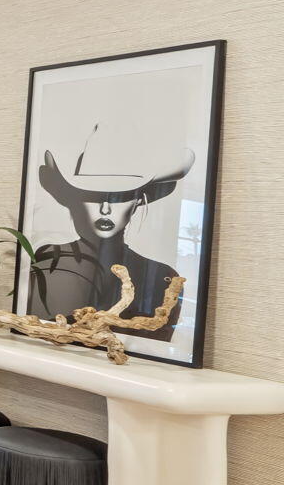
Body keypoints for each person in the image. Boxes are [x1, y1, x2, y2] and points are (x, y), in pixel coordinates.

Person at [24, 135, 190, 341]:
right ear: (75, 198)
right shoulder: (48, 259)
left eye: (121, 196)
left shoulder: (162, 278)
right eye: (93, 196)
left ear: (138, 200)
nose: (105, 208)